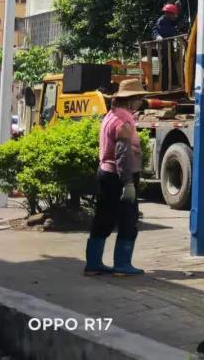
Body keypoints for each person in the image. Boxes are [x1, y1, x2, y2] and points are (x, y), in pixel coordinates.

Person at [84, 79, 149, 276]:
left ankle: (93, 264)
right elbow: (122, 154)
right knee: (128, 220)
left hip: (106, 173)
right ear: (131, 100)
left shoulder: (110, 116)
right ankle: (122, 265)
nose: (141, 102)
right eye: (139, 98)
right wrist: (128, 183)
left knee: (103, 218)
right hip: (119, 177)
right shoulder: (124, 121)